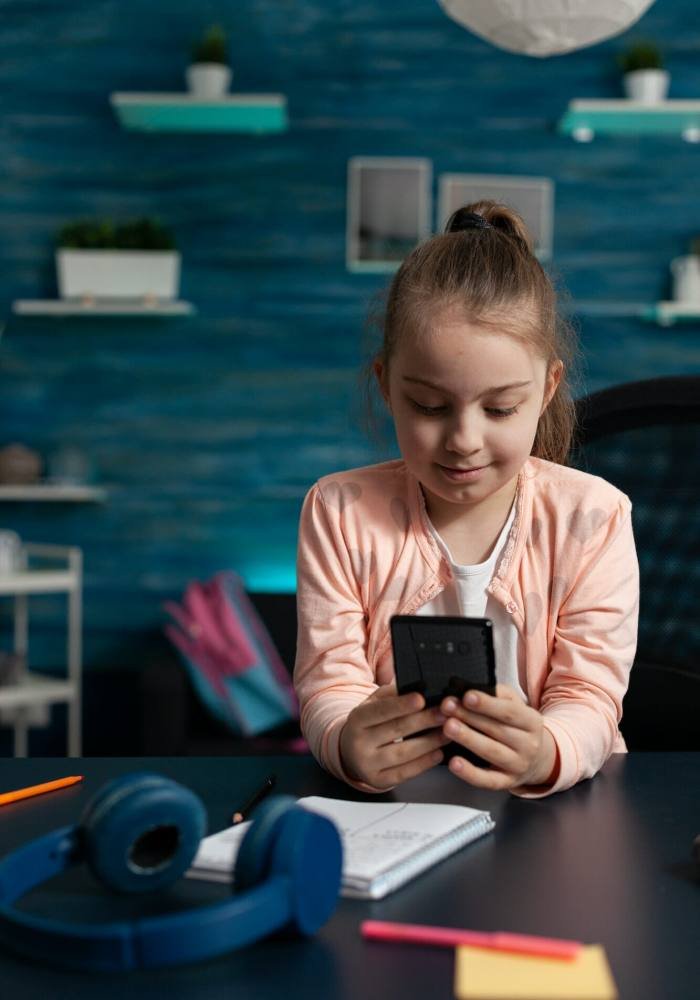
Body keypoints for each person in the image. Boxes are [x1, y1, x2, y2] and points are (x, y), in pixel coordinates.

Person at [294, 201, 639, 798]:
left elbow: (590, 697)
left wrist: (546, 751)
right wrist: (347, 740)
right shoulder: (338, 512)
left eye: (501, 409)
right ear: (386, 385)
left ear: (548, 388)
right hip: (399, 816)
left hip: (557, 818)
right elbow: (330, 684)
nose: (463, 441)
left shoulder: (594, 517)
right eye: (429, 406)